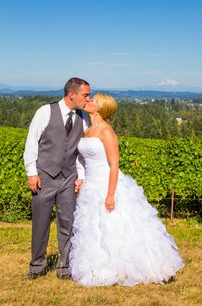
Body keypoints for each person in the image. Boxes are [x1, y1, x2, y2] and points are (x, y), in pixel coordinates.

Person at [69, 93, 184, 286]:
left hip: (107, 183)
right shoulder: (87, 129)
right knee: (94, 227)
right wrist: (81, 178)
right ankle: (99, 267)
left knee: (116, 227)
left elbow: (114, 165)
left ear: (100, 108)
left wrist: (111, 194)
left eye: (92, 100)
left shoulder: (106, 132)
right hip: (91, 185)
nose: (88, 101)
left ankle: (135, 267)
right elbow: (83, 158)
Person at [24, 77, 90, 280]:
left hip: (69, 178)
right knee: (40, 223)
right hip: (44, 176)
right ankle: (37, 267)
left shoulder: (84, 118)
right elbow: (31, 142)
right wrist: (32, 172)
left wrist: (81, 176)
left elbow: (80, 151)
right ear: (72, 94)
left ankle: (64, 267)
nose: (88, 99)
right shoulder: (45, 112)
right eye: (85, 95)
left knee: (68, 223)